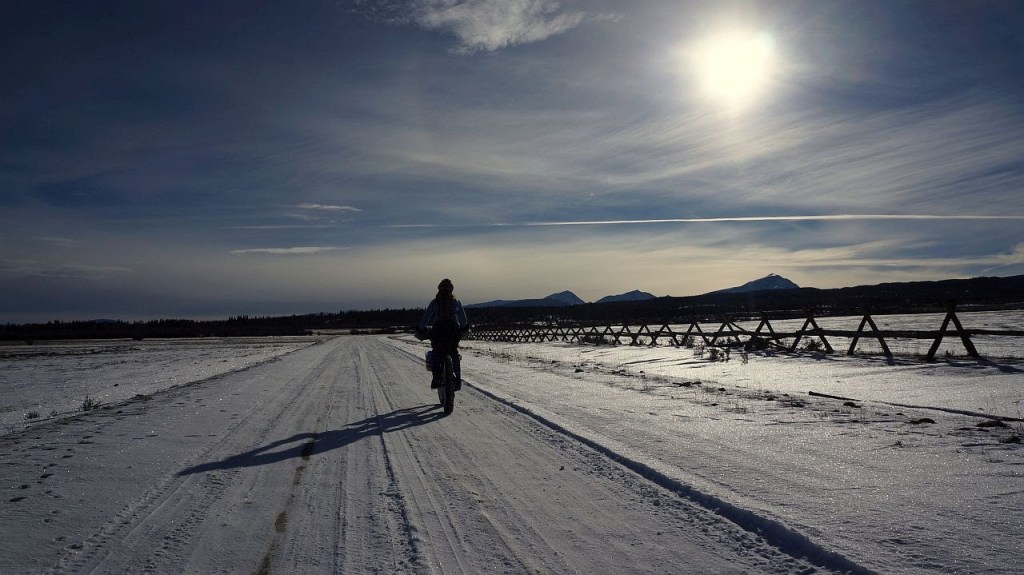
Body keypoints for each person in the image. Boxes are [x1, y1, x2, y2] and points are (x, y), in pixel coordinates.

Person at [417, 278, 469, 389]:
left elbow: (426, 317)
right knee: (453, 352)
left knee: (436, 351)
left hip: (438, 330)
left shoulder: (435, 302)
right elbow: (463, 318)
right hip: (453, 330)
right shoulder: (456, 301)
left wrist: (421, 329)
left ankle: (436, 377)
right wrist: (464, 328)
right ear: (451, 290)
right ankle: (458, 379)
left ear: (439, 289)